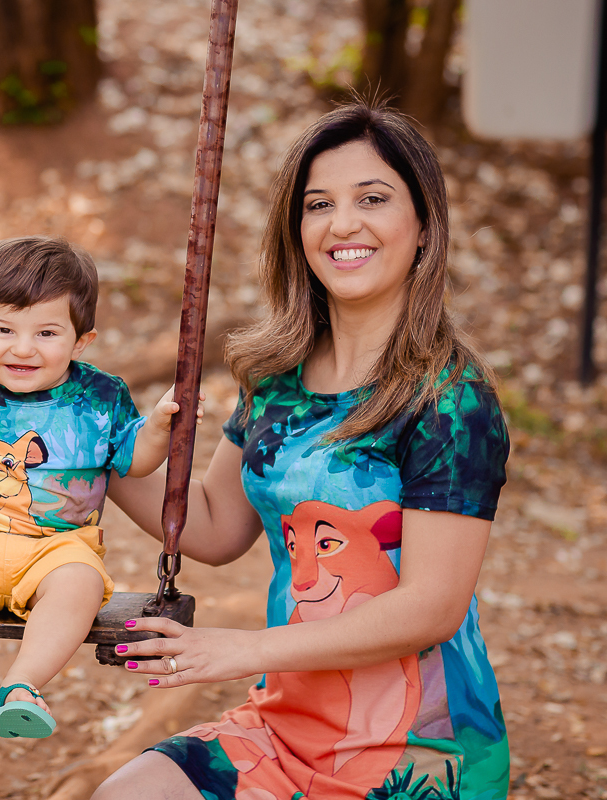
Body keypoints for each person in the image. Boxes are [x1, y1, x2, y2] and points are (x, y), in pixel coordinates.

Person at [94, 103, 512, 800]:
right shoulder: (278, 379)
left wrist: (242, 649)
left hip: (414, 750)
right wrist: (95, 449)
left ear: (423, 228)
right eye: (318, 205)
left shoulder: (450, 400)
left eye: (372, 199)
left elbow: (433, 607)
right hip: (285, 725)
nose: (342, 224)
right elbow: (213, 524)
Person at [0, 236, 201, 764]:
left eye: (46, 333)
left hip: (58, 545)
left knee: (81, 584)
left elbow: (135, 462)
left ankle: (21, 687)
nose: (23, 349)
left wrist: (161, 424)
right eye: (3, 330)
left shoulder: (102, 396)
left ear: (81, 340)